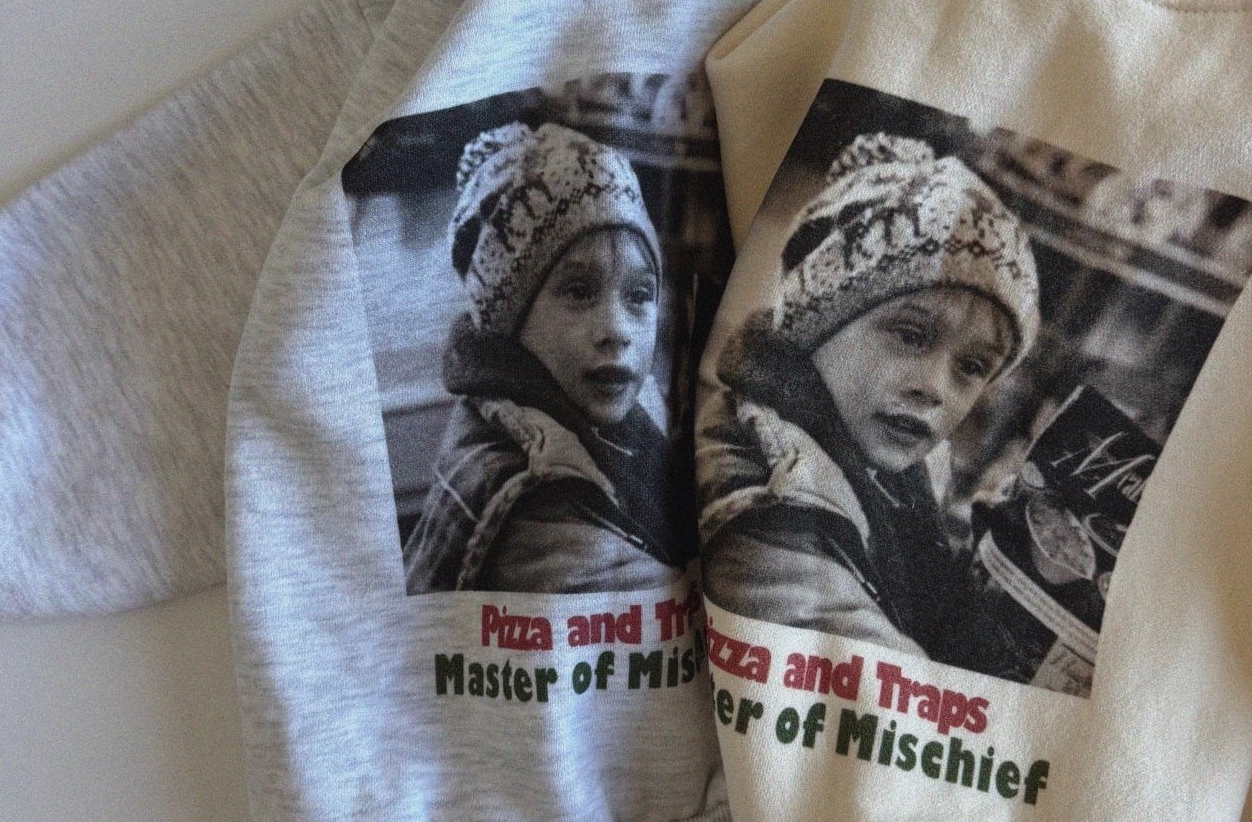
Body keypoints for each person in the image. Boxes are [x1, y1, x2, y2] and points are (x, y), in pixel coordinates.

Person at [696, 132, 1041, 659]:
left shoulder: (897, 471)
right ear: (817, 321)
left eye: (972, 367)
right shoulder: (768, 495)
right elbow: (890, 682)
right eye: (910, 335)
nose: (934, 388)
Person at [404, 120, 694, 594]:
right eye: (579, 292)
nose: (617, 331)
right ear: (510, 321)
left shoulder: (593, 423)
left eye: (639, 294)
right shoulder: (532, 495)